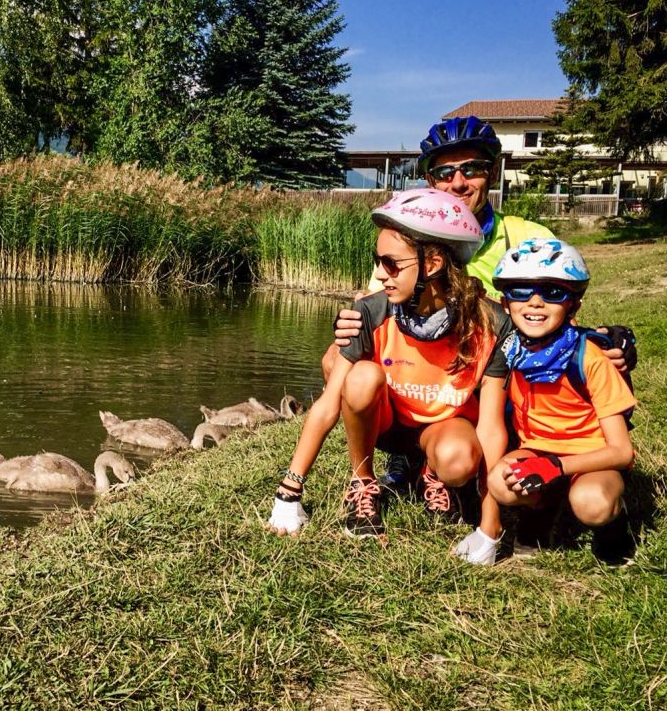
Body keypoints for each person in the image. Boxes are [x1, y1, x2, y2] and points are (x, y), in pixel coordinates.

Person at [268, 188, 512, 565]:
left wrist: (490, 528)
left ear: (431, 263)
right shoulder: (372, 311)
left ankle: (431, 473)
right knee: (361, 377)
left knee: (459, 460)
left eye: (391, 264)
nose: (379, 275)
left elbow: (492, 429)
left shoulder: (491, 324)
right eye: (377, 261)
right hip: (386, 424)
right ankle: (364, 484)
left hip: (442, 427)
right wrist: (289, 491)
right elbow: (327, 405)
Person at [325, 115, 636, 379]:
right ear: (432, 182)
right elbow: (378, 302)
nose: (458, 183)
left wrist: (605, 339)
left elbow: (561, 317)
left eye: (471, 169)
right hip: (428, 366)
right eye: (445, 174)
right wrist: (354, 319)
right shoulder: (408, 241)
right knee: (334, 358)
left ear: (493, 173)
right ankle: (401, 443)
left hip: (495, 370)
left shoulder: (527, 237)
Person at [487, 239, 637, 564]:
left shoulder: (590, 358)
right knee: (500, 481)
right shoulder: (509, 355)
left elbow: (621, 450)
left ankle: (614, 524)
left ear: (574, 305)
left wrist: (557, 466)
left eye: (553, 292)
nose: (536, 303)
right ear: (505, 303)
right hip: (538, 447)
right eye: (521, 292)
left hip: (595, 455)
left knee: (592, 502)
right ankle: (541, 510)